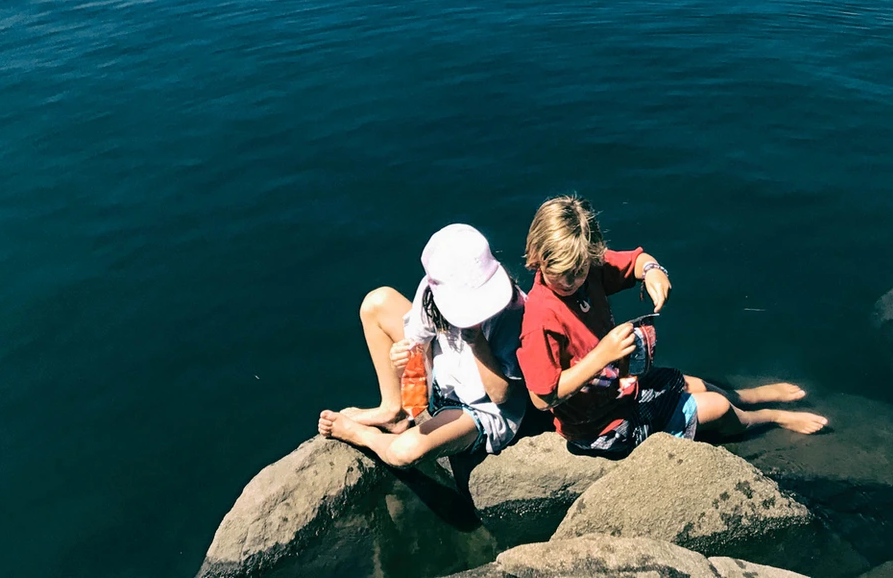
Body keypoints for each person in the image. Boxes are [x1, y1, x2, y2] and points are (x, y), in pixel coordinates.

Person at [517, 194, 827, 457]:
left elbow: (636, 261)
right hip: (603, 428)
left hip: (622, 388)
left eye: (580, 270)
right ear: (537, 258)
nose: (571, 281)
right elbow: (542, 398)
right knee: (718, 408)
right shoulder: (541, 318)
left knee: (696, 384)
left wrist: (652, 271)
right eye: (561, 272)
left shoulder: (589, 268)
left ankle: (749, 395)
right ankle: (769, 417)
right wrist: (602, 355)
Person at [318, 223, 527, 468]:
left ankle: (366, 437)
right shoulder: (432, 292)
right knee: (377, 302)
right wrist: (405, 361)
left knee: (405, 451)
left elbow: (501, 395)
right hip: (443, 376)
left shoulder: (512, 311)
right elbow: (420, 348)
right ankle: (393, 411)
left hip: (478, 407)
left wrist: (476, 340)